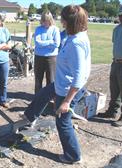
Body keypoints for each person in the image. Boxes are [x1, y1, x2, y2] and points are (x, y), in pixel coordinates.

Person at [15, 5, 91, 164]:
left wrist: (66, 101)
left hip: (68, 89)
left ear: (69, 22)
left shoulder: (76, 43)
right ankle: (29, 116)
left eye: (62, 18)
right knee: (43, 94)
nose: (60, 21)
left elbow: (79, 76)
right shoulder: (76, 34)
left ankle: (73, 156)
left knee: (62, 122)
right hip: (62, 83)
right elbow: (59, 36)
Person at [34, 11, 60, 93]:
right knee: (38, 79)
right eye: (44, 21)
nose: (46, 23)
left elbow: (57, 44)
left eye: (47, 21)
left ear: (51, 20)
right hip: (39, 57)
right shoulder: (38, 29)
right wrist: (50, 42)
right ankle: (37, 97)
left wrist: (44, 43)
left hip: (51, 58)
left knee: (51, 79)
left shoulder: (55, 29)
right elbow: (37, 43)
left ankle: (49, 98)